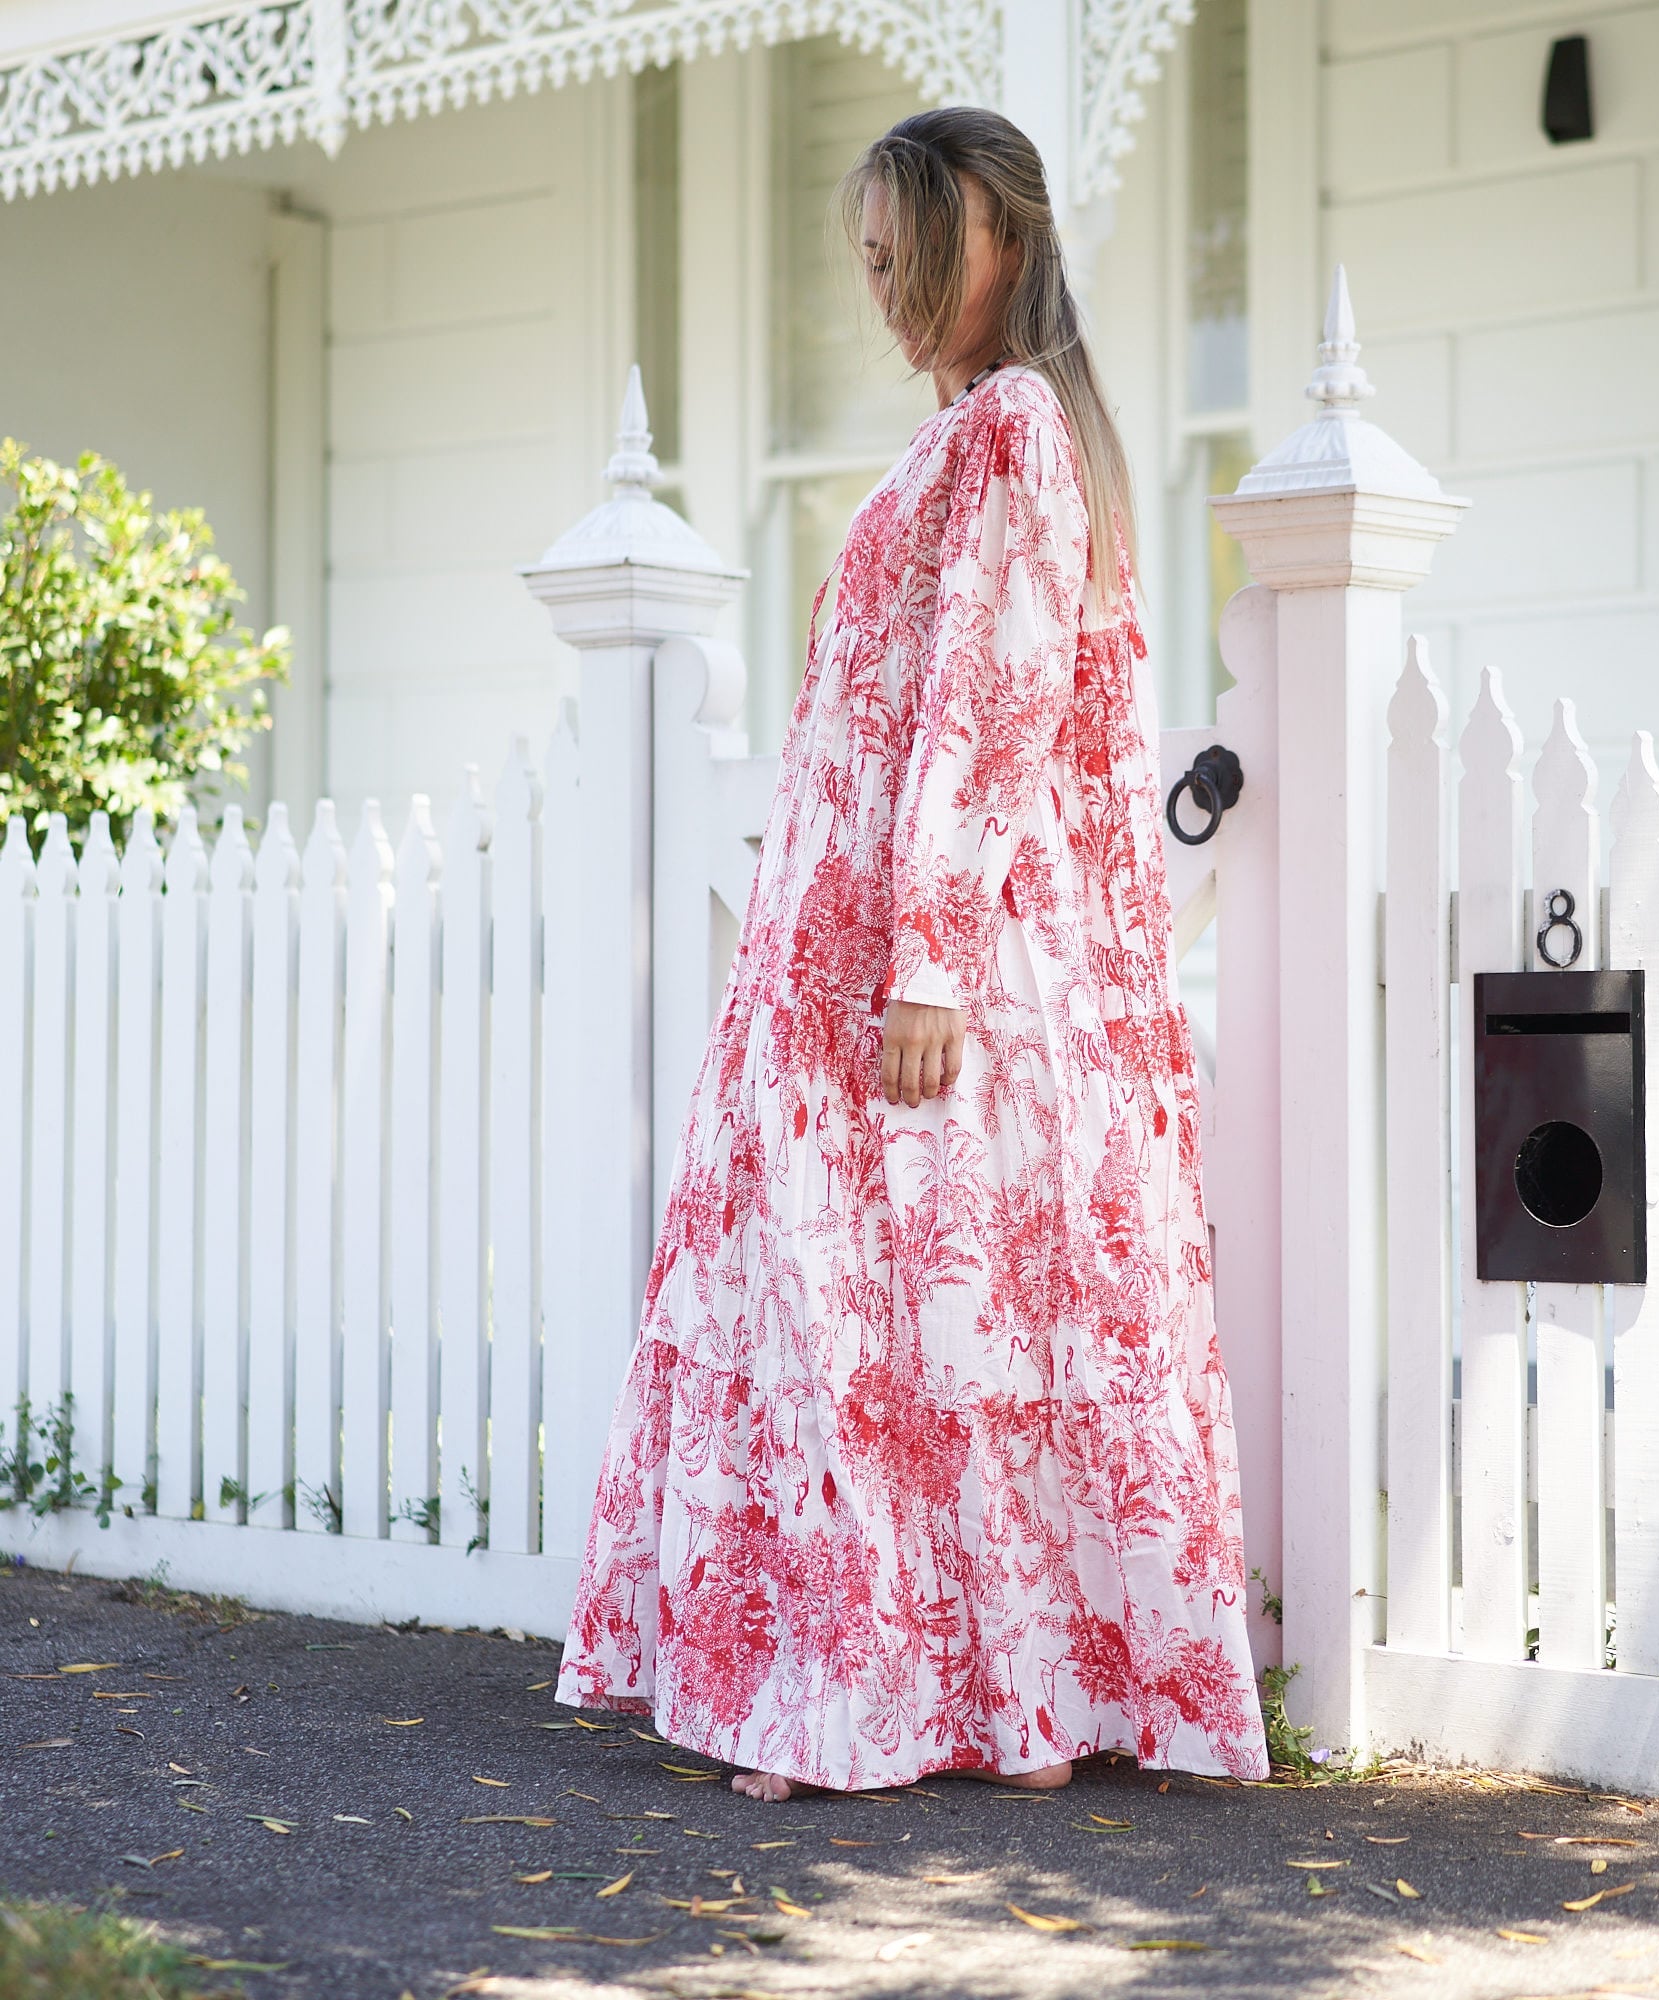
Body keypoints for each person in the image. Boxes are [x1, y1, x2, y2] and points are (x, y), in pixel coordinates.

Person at [556, 105, 1268, 1800]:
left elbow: (991, 699)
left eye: (909, 252)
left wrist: (930, 961)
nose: (884, 289)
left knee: (894, 1314)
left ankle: (905, 1696)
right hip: (848, 937)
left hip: (920, 953)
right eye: (870, 259)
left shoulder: (1017, 428)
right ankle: (947, 1695)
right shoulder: (976, 436)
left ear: (999, 240)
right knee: (882, 1318)